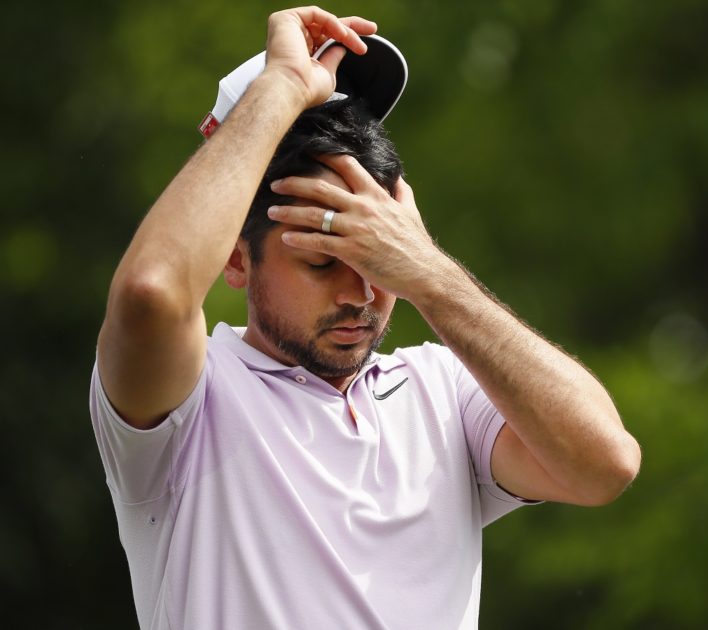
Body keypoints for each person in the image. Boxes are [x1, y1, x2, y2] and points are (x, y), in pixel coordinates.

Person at [89, 6, 641, 630]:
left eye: (376, 258)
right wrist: (284, 87)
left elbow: (606, 465)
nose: (360, 293)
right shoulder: (193, 400)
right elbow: (151, 292)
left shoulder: (445, 391)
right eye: (324, 263)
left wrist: (430, 273)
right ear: (236, 260)